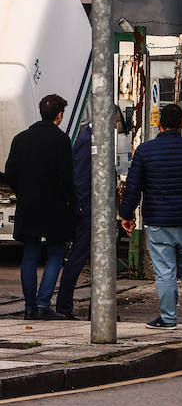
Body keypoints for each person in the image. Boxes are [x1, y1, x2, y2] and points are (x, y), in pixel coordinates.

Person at [119, 103, 182, 329]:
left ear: (159, 124)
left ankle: (169, 318)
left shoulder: (145, 150)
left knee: (165, 271)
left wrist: (126, 215)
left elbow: (133, 187)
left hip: (158, 221)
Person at [4, 94, 76, 321]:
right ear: (59, 115)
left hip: (29, 205)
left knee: (30, 255)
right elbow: (66, 178)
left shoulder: (20, 138)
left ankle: (29, 307)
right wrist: (71, 202)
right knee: (55, 253)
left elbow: (10, 174)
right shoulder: (61, 140)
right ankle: (43, 305)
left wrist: (24, 192)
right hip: (55, 207)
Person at [54, 121, 93, 320]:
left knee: (92, 258)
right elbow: (80, 177)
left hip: (91, 208)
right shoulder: (87, 140)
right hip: (88, 209)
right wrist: (83, 207)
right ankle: (64, 305)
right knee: (78, 257)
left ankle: (97, 308)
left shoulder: (92, 137)